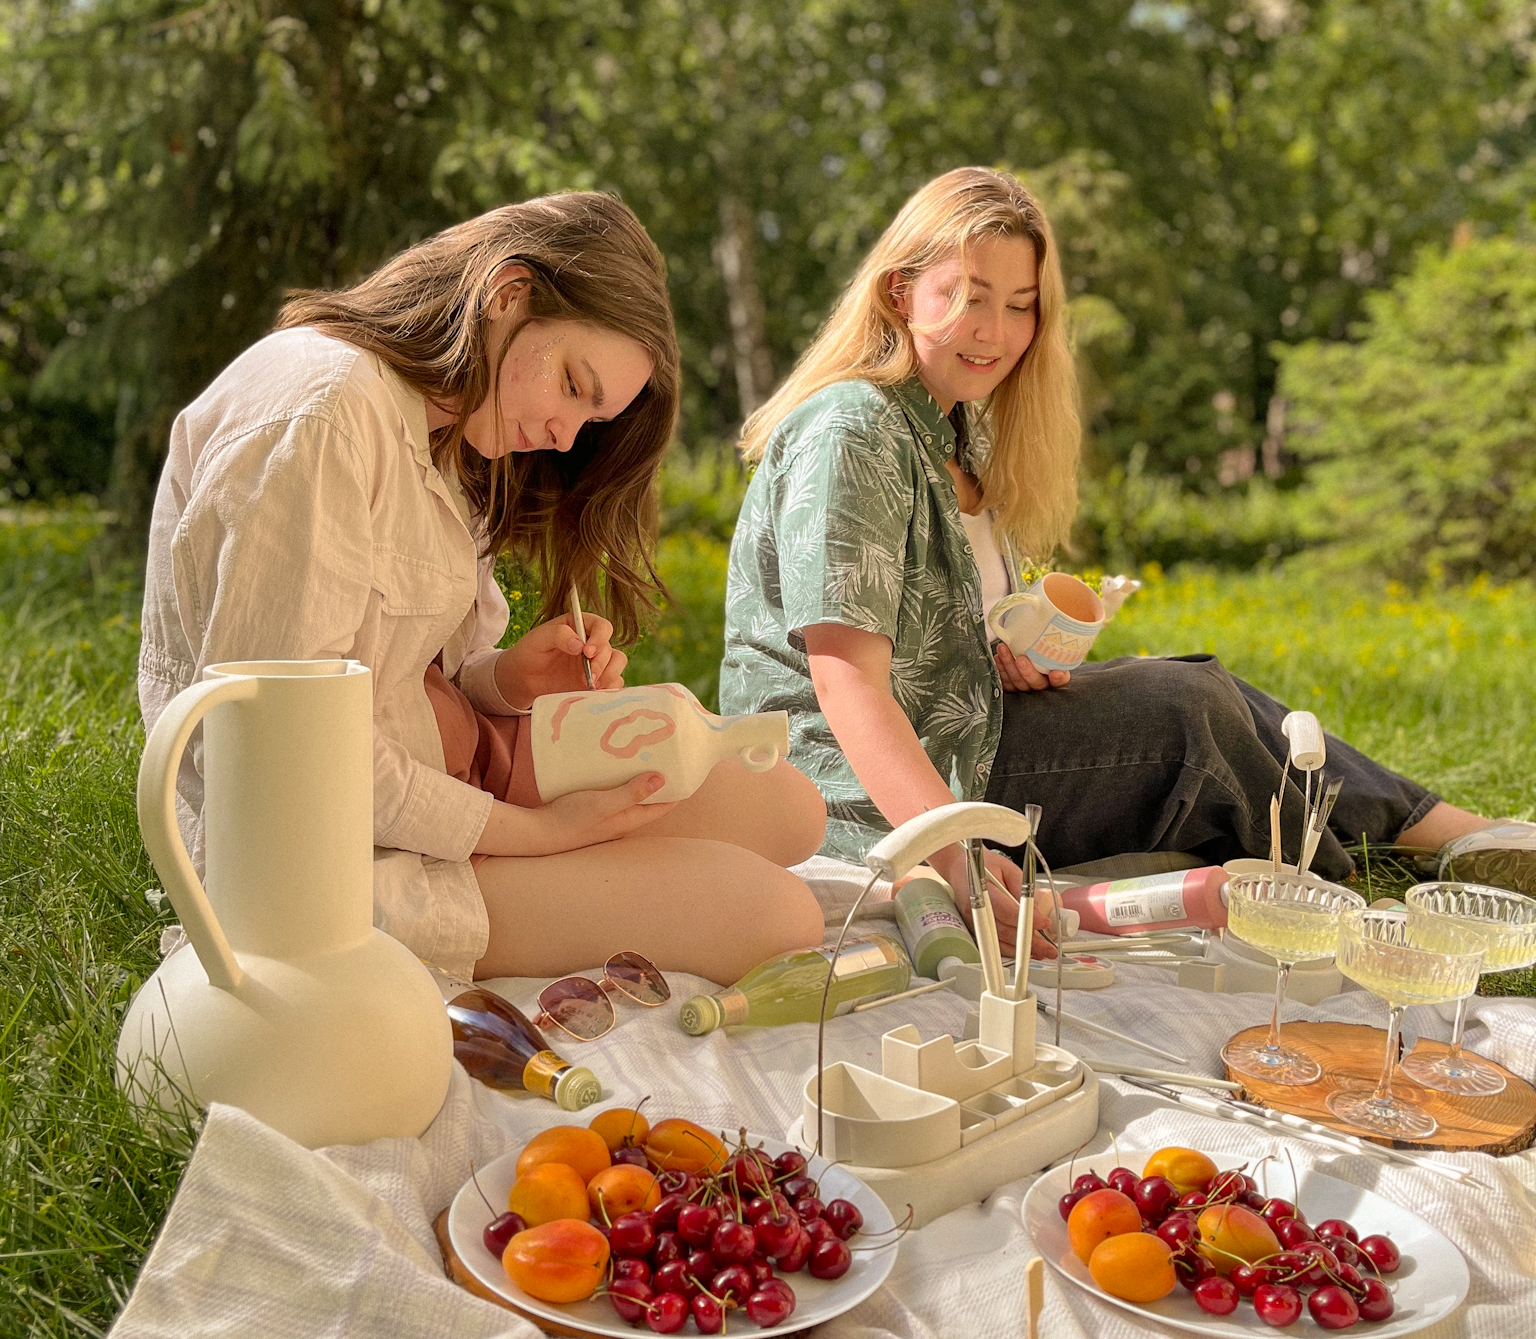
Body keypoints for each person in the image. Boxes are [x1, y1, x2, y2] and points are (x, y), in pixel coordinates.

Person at [721, 166, 1520, 954]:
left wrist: (996, 657)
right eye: (966, 296)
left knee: (1202, 683)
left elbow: (918, 643)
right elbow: (846, 682)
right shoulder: (854, 432)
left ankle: (1454, 834)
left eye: (1020, 305)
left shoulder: (956, 432)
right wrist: (954, 851)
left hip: (963, 736)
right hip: (858, 795)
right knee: (1189, 709)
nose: (993, 330)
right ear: (900, 291)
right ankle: (1341, 896)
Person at [141, 192, 826, 987]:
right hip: (338, 861)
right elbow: (285, 759)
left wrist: (508, 680)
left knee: (787, 808)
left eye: (591, 421)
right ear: (507, 294)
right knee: (780, 918)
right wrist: (544, 835)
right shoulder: (323, 420)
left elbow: (409, 671)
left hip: (449, 774)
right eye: (572, 385)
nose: (565, 438)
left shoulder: (443, 418)